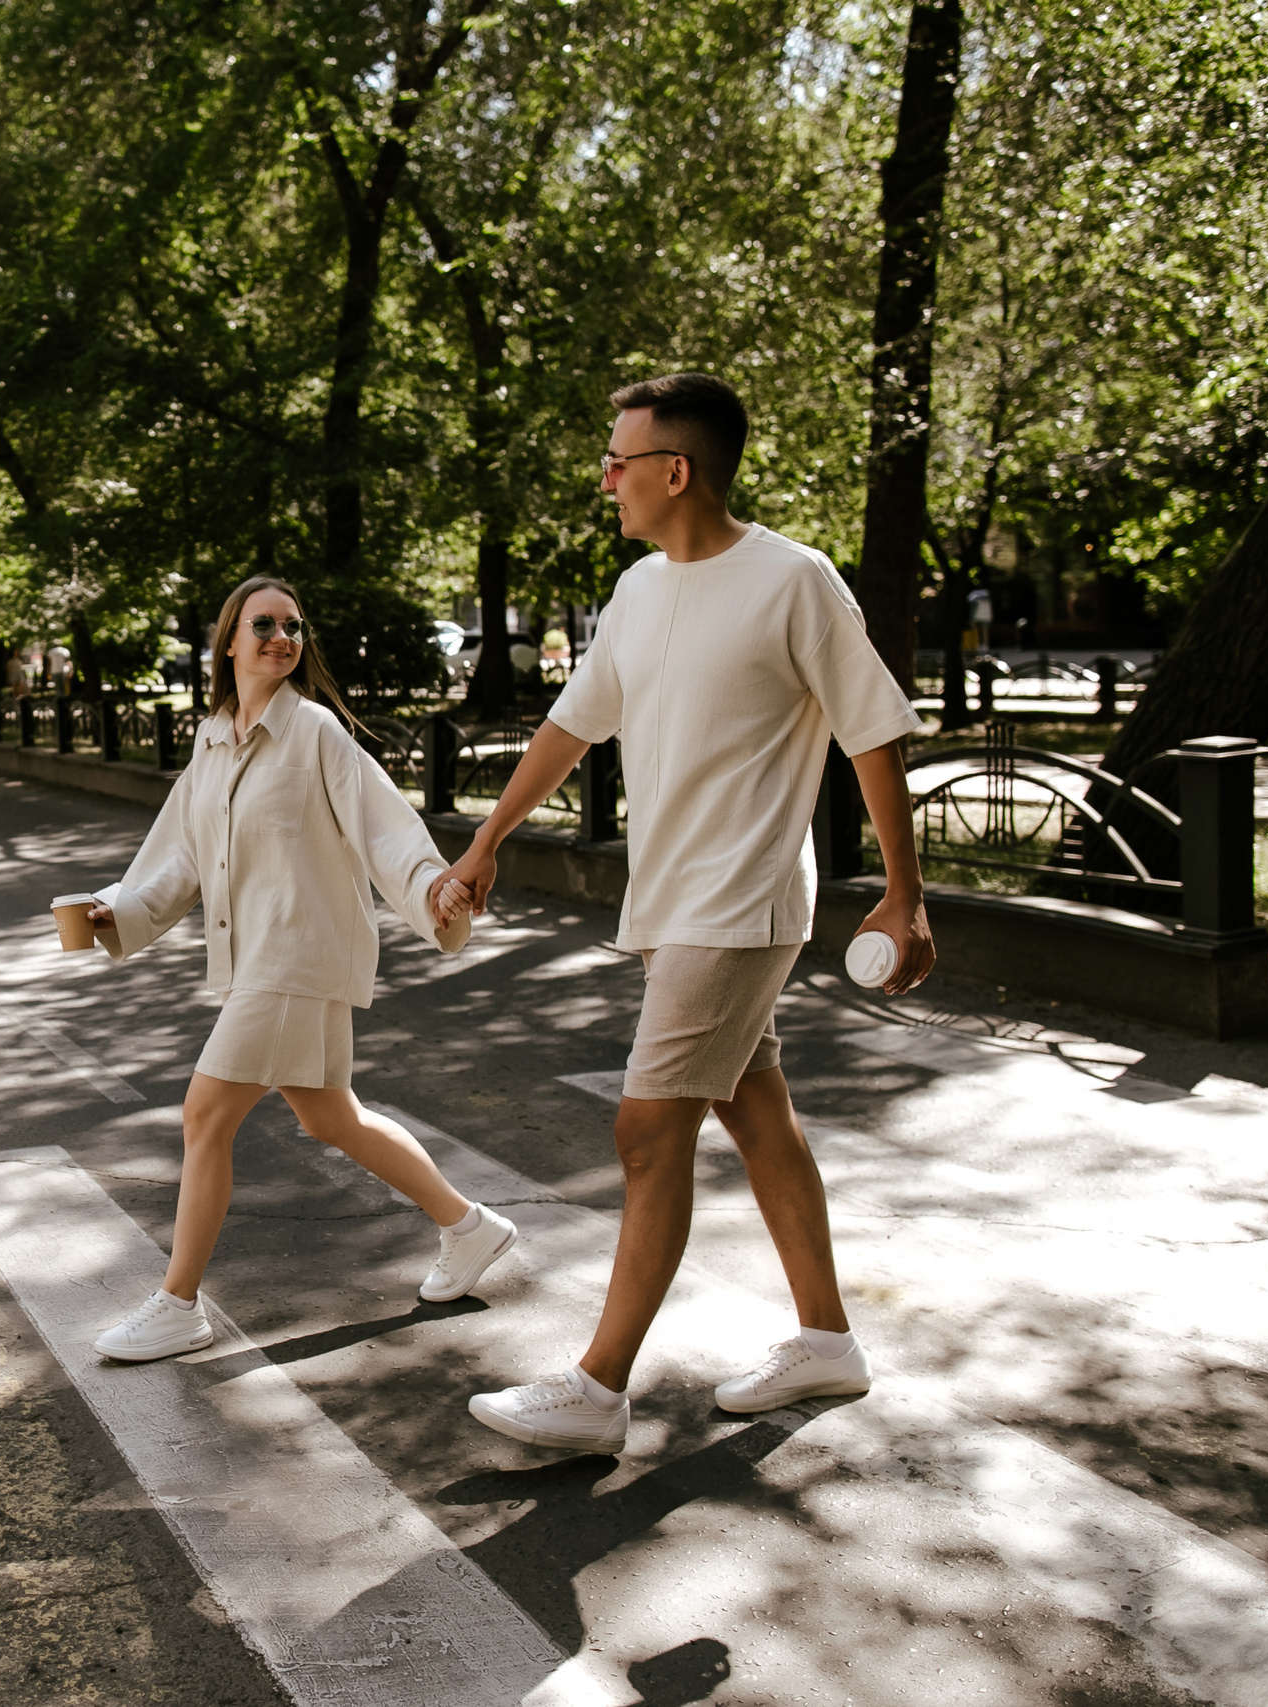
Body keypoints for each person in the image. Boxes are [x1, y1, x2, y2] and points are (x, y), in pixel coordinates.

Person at [436, 371, 935, 1453]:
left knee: (647, 1128)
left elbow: (873, 732)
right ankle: (828, 1341)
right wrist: (486, 843)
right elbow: (571, 729)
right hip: (670, 902)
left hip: (743, 899)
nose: (604, 480)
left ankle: (597, 1390)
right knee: (755, 1115)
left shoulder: (793, 581)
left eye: (618, 461)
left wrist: (904, 894)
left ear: (675, 470)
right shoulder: (636, 591)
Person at [79, 574, 522, 1361]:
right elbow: (180, 852)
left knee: (205, 1115)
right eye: (265, 624)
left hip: (296, 952)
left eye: (294, 625)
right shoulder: (214, 738)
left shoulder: (314, 730)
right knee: (329, 1116)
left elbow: (383, 822)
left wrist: (432, 886)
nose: (283, 636)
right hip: (262, 959)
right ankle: (469, 1225)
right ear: (230, 640)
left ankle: (178, 1302)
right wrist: (122, 906)